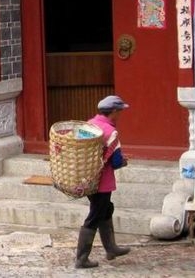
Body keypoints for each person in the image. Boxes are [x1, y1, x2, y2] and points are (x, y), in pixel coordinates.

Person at [75, 95, 131, 269]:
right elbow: (115, 162)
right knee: (95, 216)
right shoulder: (111, 133)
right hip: (102, 182)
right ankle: (82, 258)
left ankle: (111, 248)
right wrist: (124, 161)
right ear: (113, 111)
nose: (120, 114)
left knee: (106, 209)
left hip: (87, 179)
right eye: (120, 111)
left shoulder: (88, 125)